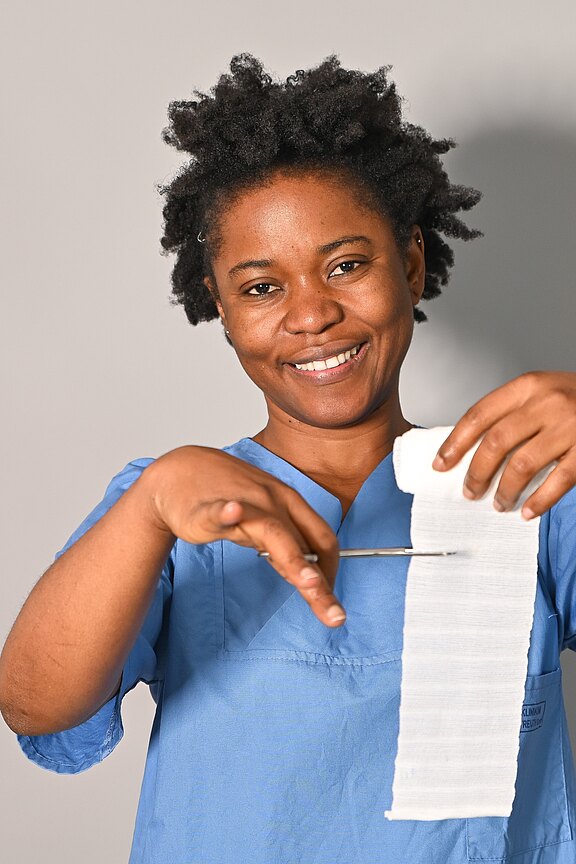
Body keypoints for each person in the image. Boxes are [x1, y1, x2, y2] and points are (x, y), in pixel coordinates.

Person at [1, 55, 576, 863]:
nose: (311, 313)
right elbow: (35, 704)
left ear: (410, 263)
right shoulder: (170, 506)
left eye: (346, 265)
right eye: (261, 287)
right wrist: (149, 507)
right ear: (220, 307)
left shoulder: (527, 482)